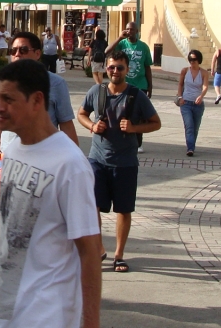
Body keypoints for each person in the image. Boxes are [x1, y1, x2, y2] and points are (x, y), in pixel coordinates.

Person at [0, 59, 102, 328]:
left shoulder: (70, 165)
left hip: (48, 316)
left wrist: (90, 323)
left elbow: (89, 251)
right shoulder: (11, 154)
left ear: (36, 101)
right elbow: (4, 227)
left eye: (8, 99)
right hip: (6, 313)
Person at [77, 50, 161, 274]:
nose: (115, 71)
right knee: (92, 206)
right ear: (106, 68)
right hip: (97, 159)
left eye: (120, 67)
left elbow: (155, 123)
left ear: (127, 70)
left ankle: (119, 255)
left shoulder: (136, 96)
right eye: (112, 67)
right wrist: (93, 126)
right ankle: (99, 249)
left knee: (123, 210)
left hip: (125, 162)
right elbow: (81, 113)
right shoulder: (97, 91)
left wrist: (134, 129)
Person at [0, 31, 79, 201]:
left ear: (37, 53)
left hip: (44, 166)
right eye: (13, 51)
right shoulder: (2, 82)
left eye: (23, 50)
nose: (17, 55)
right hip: (8, 163)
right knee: (5, 219)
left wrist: (76, 164)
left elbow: (66, 124)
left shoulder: (56, 84)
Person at [113, 22, 153, 152]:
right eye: (127, 29)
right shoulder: (122, 44)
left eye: (132, 29)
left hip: (140, 85)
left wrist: (150, 86)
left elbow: (147, 67)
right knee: (124, 113)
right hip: (125, 84)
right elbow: (107, 52)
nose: (129, 31)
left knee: (138, 114)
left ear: (137, 31)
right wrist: (119, 38)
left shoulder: (143, 47)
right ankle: (124, 140)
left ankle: (138, 142)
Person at [175, 50, 208, 156]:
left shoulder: (203, 72)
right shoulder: (185, 71)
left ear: (199, 60)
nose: (192, 62)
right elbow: (180, 85)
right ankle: (190, 148)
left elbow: (205, 86)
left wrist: (201, 96)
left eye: (194, 59)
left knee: (195, 128)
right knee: (189, 125)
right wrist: (180, 97)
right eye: (190, 59)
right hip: (186, 103)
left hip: (198, 104)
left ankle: (191, 145)